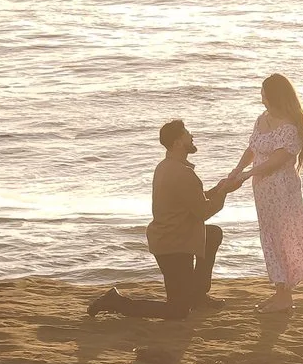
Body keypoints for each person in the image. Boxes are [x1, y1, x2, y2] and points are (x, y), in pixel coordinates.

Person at [88, 119, 243, 321]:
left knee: (212, 234)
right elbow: (203, 211)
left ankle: (197, 295)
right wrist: (224, 192)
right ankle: (116, 302)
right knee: (177, 310)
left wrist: (218, 189)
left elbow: (191, 200)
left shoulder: (167, 166)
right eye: (187, 133)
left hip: (175, 237)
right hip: (174, 246)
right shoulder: (182, 173)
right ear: (178, 142)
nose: (191, 136)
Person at [229, 73, 303, 312]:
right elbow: (253, 148)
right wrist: (237, 170)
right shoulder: (262, 119)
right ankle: (279, 292)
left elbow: (277, 161)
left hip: (282, 190)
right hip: (263, 190)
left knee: (283, 237)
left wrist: (247, 175)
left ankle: (285, 297)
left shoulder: (290, 127)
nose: (261, 98)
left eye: (264, 93)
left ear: (274, 95)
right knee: (269, 236)